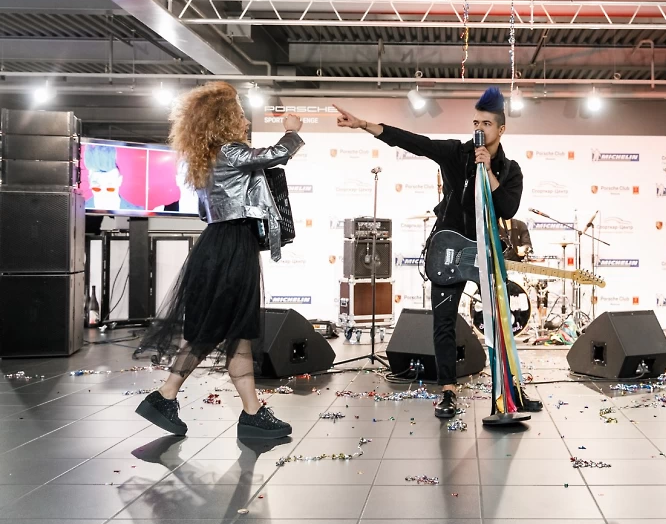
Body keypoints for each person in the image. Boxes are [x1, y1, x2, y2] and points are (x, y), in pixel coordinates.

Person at [335, 86, 542, 418]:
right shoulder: (456, 153)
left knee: (501, 323)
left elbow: (507, 207)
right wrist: (364, 125)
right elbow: (414, 141)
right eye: (476, 122)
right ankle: (447, 391)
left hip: (485, 251)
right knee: (444, 322)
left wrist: (488, 170)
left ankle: (511, 390)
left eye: (486, 124)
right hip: (449, 249)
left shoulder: (510, 169)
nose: (479, 128)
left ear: (501, 129)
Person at [134, 81, 304, 439]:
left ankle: (251, 412)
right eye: (239, 114)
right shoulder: (229, 151)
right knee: (214, 328)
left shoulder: (208, 156)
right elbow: (272, 155)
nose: (245, 119)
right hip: (231, 247)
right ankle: (166, 395)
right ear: (224, 118)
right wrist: (291, 132)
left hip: (223, 244)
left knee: (237, 331)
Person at [83, 144, 145, 211]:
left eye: (109, 188)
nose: (103, 194)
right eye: (97, 189)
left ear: (119, 181)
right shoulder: (77, 210)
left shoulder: (139, 212)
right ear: (89, 181)